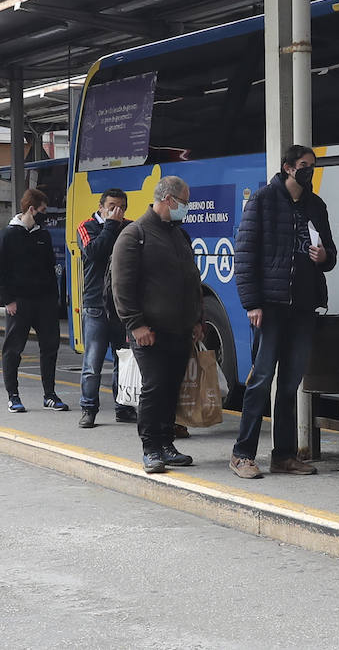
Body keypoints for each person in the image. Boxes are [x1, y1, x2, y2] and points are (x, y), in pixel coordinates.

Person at [230, 144, 337, 480]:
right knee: (261, 380)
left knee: (290, 384)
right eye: (305, 165)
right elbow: (245, 255)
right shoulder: (262, 200)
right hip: (271, 308)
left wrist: (325, 258)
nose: (310, 171)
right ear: (289, 167)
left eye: (313, 166)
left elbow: (331, 253)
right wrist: (253, 303)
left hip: (303, 307)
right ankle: (243, 454)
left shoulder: (316, 206)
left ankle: (284, 456)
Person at [110, 176, 204, 474]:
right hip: (149, 332)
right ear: (168, 200)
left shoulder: (179, 235)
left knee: (171, 388)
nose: (186, 209)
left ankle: (166, 444)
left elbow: (193, 282)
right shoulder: (134, 234)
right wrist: (136, 325)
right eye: (184, 203)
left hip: (179, 330)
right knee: (154, 388)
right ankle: (150, 448)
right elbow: (121, 287)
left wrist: (197, 320)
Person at [0, 188, 66, 414]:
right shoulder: (7, 235)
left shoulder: (42, 235)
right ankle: (13, 396)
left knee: (50, 348)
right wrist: (7, 300)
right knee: (13, 349)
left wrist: (55, 300)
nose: (45, 215)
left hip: (44, 302)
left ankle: (50, 395)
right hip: (19, 302)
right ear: (31, 209)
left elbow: (50, 268)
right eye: (42, 210)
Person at [76, 188, 137, 428]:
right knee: (93, 362)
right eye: (111, 206)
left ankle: (122, 406)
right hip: (95, 305)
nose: (116, 211)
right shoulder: (87, 226)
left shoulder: (129, 227)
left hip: (121, 306)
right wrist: (111, 226)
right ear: (101, 206)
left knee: (123, 359)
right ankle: (88, 408)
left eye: (121, 207)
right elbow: (94, 252)